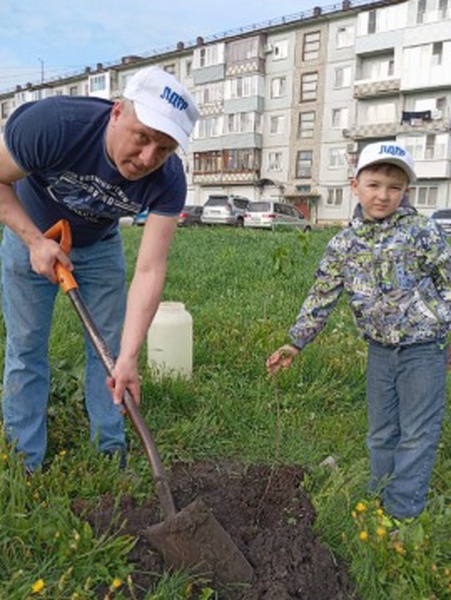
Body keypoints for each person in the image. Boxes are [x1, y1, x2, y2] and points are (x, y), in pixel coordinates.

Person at [0, 66, 199, 471]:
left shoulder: (169, 179)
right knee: (26, 346)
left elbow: (150, 269)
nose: (147, 158)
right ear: (116, 112)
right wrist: (35, 242)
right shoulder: (55, 125)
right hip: (31, 235)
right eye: (142, 137)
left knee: (110, 355)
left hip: (99, 245)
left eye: (163, 149)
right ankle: (24, 460)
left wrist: (130, 356)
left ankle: (110, 454)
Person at [267, 141, 451, 521]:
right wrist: (296, 341)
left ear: (406, 192)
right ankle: (380, 498)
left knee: (417, 434)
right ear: (355, 185)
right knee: (381, 432)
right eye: (374, 184)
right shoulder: (344, 244)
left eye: (394, 187)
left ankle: (402, 514)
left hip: (424, 349)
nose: (383, 195)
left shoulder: (424, 233)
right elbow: (322, 294)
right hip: (380, 351)